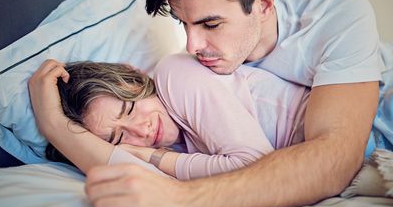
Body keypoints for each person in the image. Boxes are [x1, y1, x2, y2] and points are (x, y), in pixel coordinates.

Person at [30, 0, 393, 207]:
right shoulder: (186, 92)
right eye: (182, 24)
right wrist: (56, 127)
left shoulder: (334, 13)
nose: (192, 46)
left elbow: (333, 159)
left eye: (210, 24)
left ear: (265, 4)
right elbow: (127, 169)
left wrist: (177, 193)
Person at [35, 54, 309, 180]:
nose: (141, 131)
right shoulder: (169, 151)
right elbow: (140, 180)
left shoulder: (174, 74)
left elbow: (256, 169)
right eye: (119, 138)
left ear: (136, 74)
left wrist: (152, 157)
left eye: (129, 108)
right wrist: (55, 127)